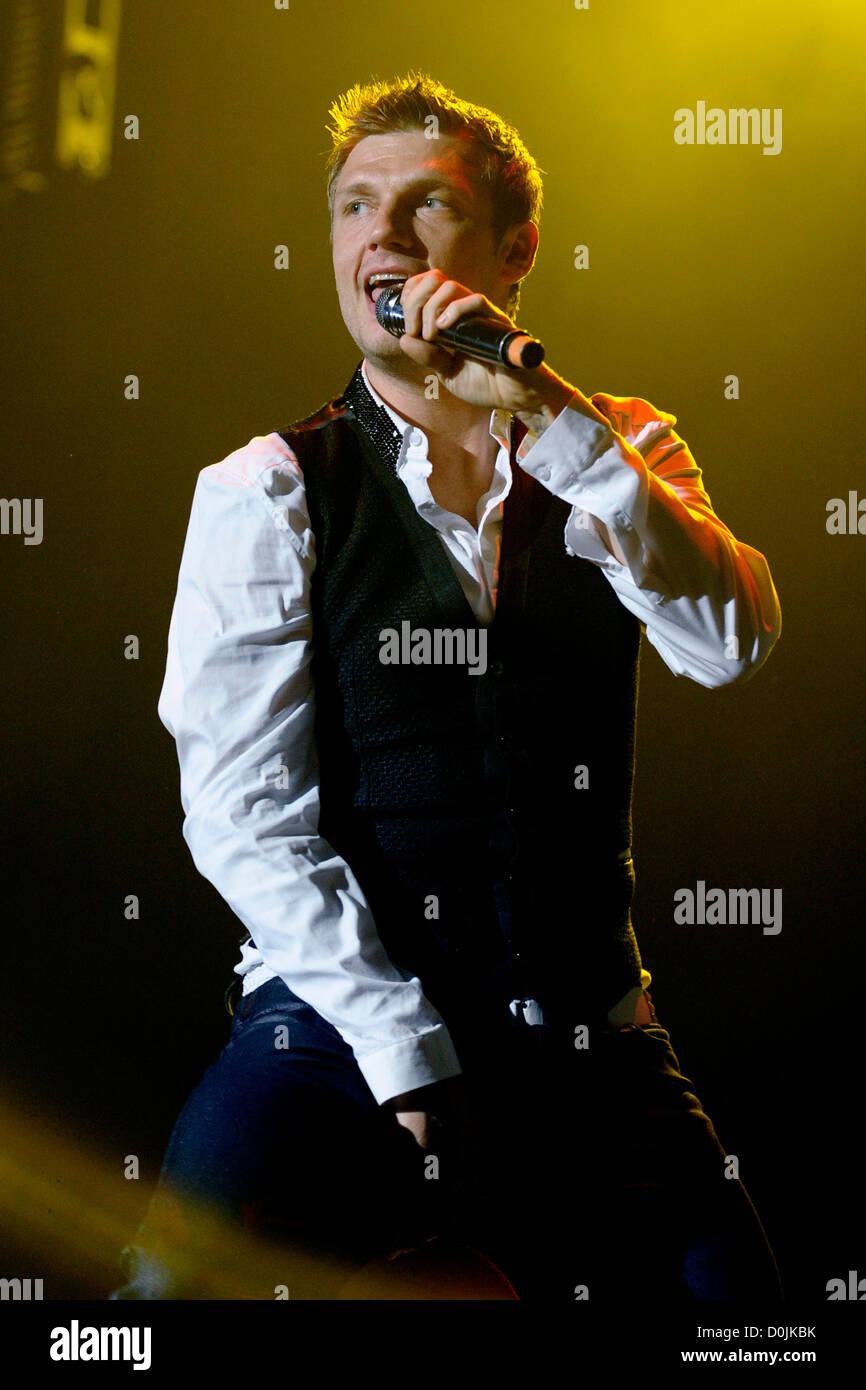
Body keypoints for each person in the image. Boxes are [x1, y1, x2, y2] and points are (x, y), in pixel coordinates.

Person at [109, 72, 784, 1302]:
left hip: (584, 1026)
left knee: (747, 1323)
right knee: (151, 1317)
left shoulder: (616, 443)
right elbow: (239, 816)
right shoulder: (267, 487)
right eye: (355, 206)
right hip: (328, 1023)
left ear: (511, 251)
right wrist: (404, 1048)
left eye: (425, 206)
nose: (382, 236)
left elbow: (728, 640)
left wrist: (556, 423)